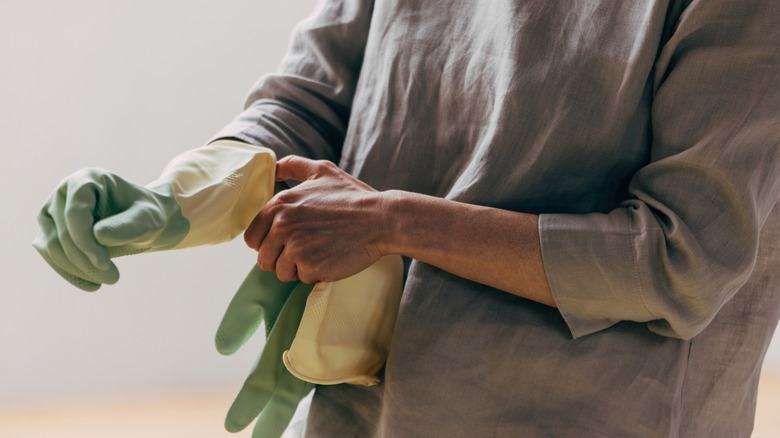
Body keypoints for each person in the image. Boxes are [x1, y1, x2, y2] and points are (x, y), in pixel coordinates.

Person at [34, 0, 780, 436]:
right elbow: (312, 94)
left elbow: (677, 259)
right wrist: (186, 191)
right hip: (365, 410)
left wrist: (392, 222)